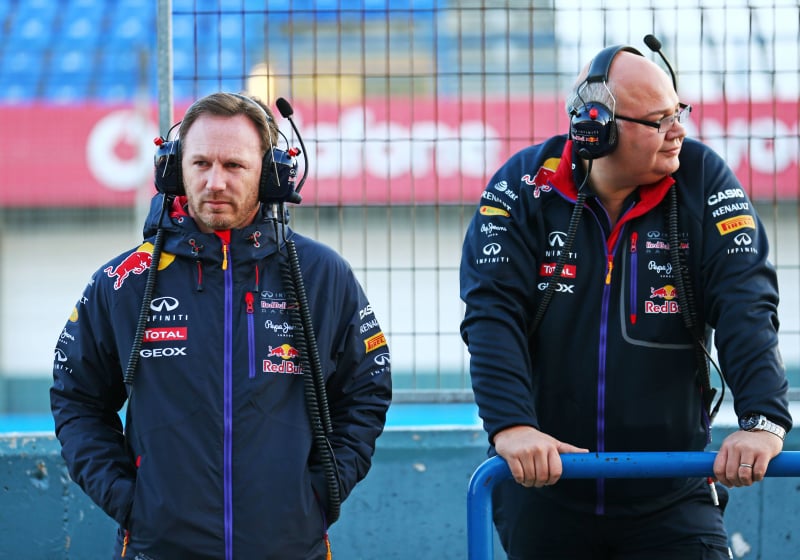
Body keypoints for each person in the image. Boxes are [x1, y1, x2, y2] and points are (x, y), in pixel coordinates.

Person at [460, 43, 792, 559]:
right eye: (660, 120)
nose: (678, 130)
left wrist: (763, 421)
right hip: (543, 489)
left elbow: (745, 303)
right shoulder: (522, 186)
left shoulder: (703, 179)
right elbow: (491, 314)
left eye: (679, 112)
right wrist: (513, 426)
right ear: (597, 129)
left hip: (673, 493)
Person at [50, 92, 392, 560]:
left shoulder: (322, 275)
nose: (215, 181)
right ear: (175, 169)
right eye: (201, 163)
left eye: (234, 165)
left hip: (291, 545)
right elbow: (76, 399)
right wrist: (131, 502)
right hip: (158, 547)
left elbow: (366, 390)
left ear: (269, 174)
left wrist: (317, 495)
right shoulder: (123, 282)